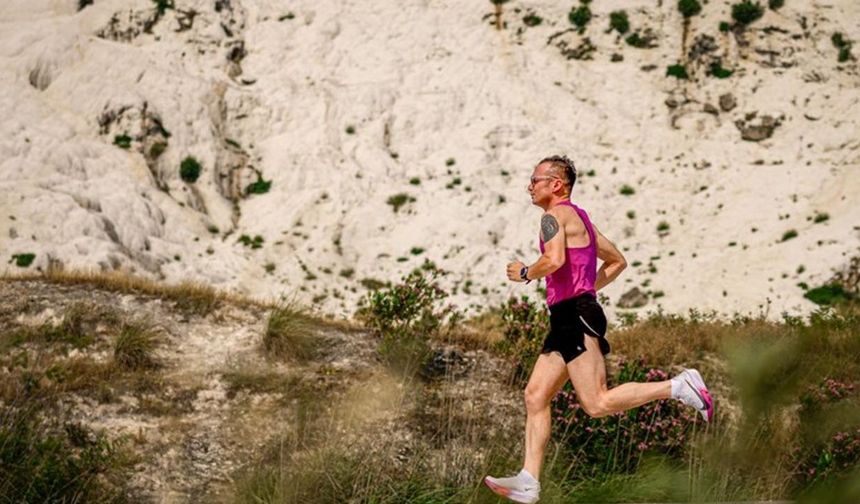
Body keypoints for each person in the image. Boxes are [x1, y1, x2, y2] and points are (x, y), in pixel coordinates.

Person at [483, 155, 713, 504]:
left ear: (556, 184)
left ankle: (678, 386)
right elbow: (618, 261)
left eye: (535, 179)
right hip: (568, 314)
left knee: (597, 402)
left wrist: (528, 272)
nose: (530, 186)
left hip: (575, 316)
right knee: (535, 395)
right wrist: (584, 288)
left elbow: (555, 260)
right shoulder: (583, 220)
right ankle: (528, 480)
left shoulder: (553, 217)